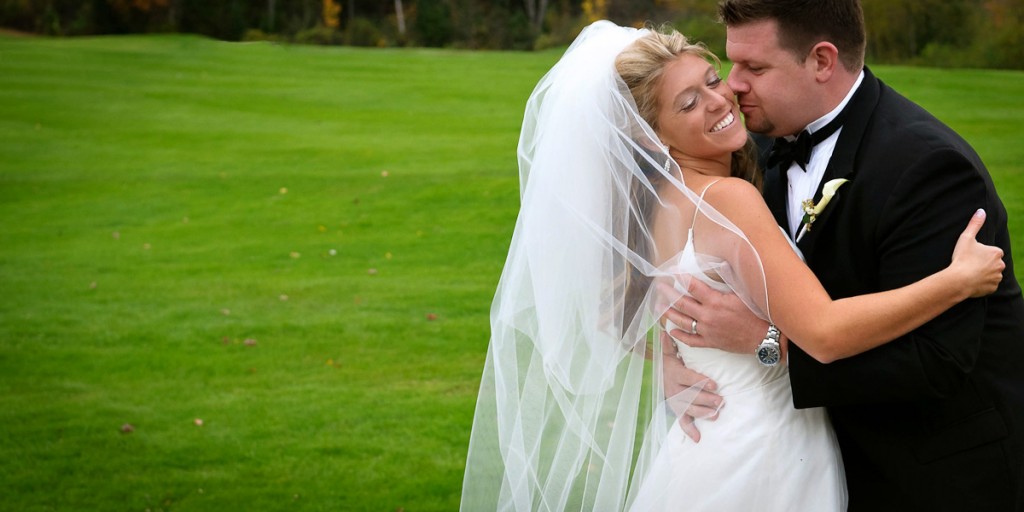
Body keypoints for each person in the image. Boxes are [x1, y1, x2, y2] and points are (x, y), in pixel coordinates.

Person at [459, 20, 1004, 511]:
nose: (726, 96)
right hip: (764, 448)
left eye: (714, 78)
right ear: (651, 138)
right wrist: (955, 281)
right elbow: (826, 333)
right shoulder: (728, 198)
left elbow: (610, 311)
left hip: (710, 444)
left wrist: (671, 359)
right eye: (687, 103)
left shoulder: (651, 207)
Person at [663, 0, 1024, 510]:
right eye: (732, 64)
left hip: (929, 473)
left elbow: (937, 361)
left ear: (822, 61)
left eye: (755, 67)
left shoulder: (927, 168)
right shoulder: (748, 153)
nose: (733, 85)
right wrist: (668, 362)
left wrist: (768, 342)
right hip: (799, 460)